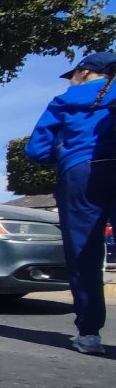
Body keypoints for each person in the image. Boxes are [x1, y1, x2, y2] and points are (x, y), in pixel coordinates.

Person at [25, 51, 116, 356]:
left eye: (74, 74)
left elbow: (36, 149)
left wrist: (62, 154)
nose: (72, 80)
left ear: (86, 72)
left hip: (81, 171)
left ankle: (89, 333)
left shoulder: (65, 100)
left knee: (84, 254)